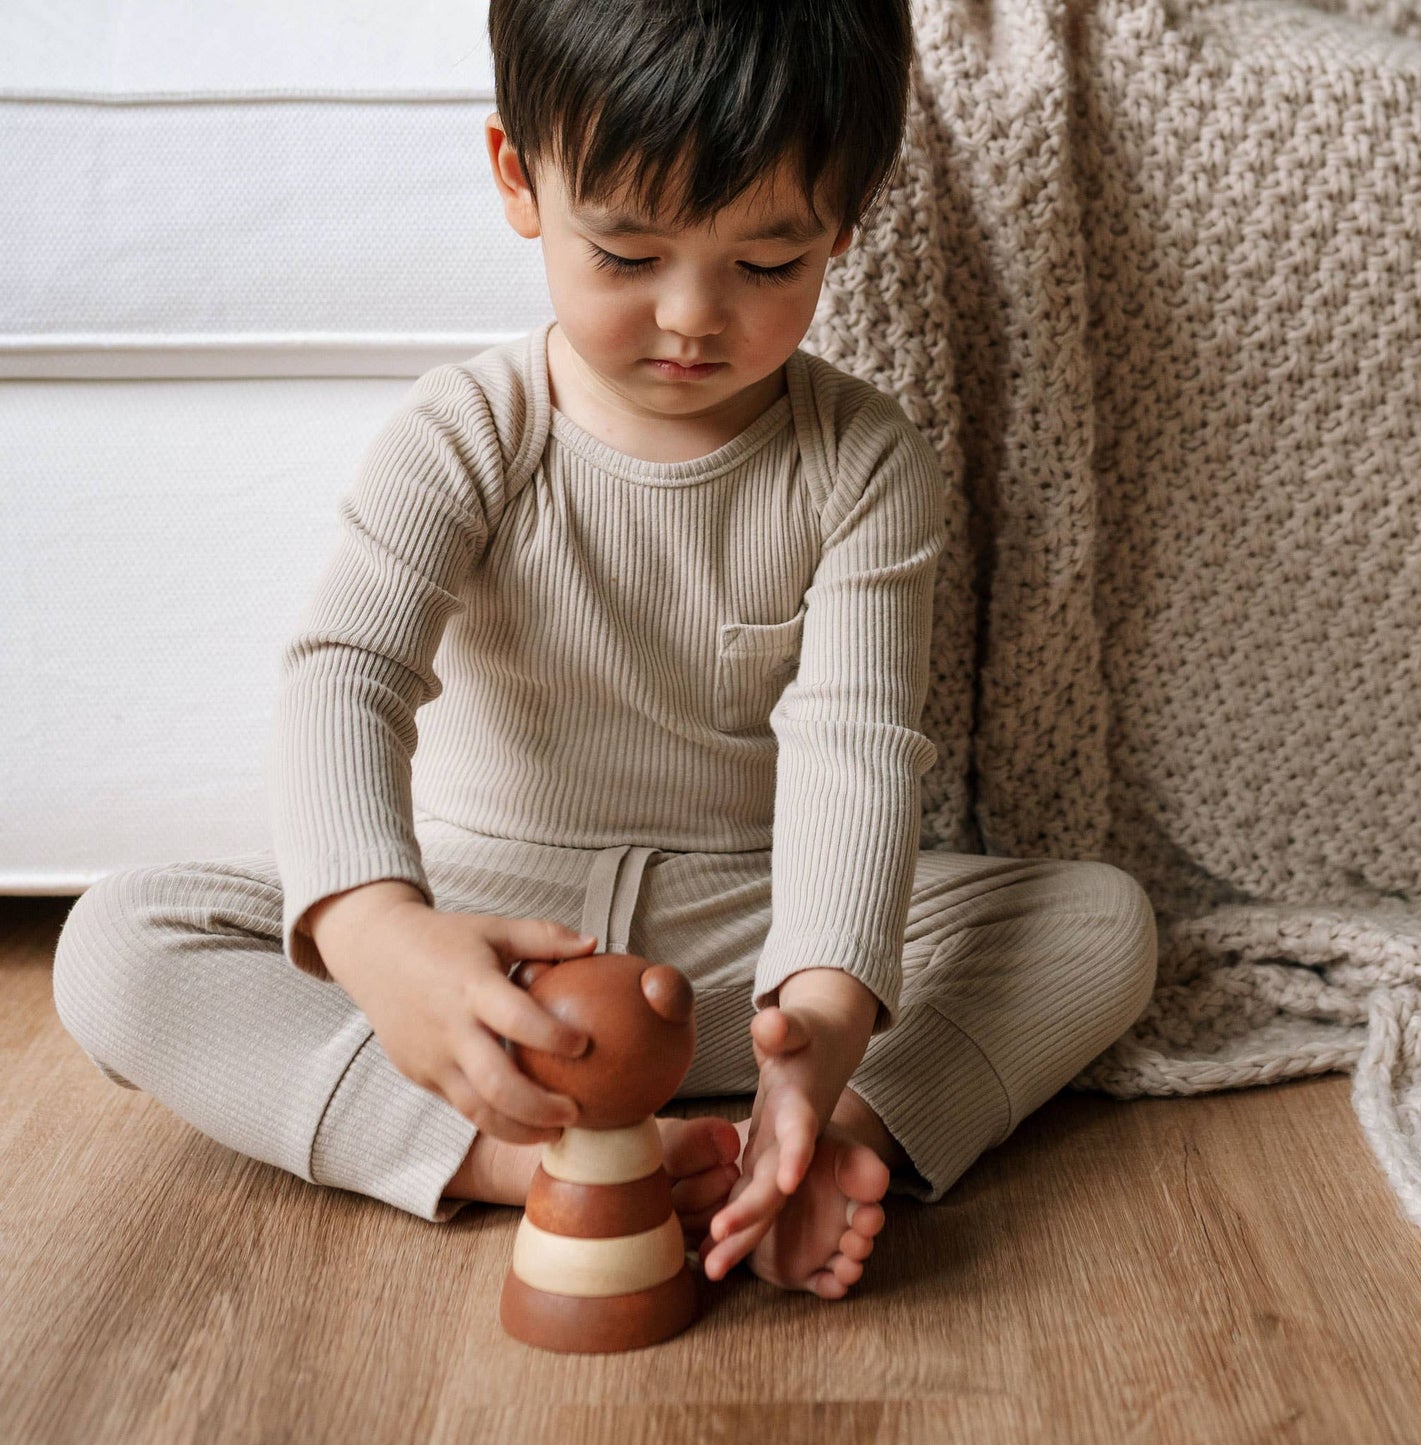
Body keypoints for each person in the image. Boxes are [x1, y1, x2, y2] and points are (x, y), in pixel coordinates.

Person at [51, 0, 1158, 1302]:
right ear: (520, 177)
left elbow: (854, 747)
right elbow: (345, 673)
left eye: (765, 265)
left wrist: (819, 1026)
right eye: (625, 254)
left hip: (736, 935)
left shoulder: (860, 461)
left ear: (844, 225)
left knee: (1101, 922)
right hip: (494, 926)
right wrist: (378, 933)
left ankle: (802, 1145)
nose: (691, 317)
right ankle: (529, 1161)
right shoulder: (466, 429)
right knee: (119, 940)